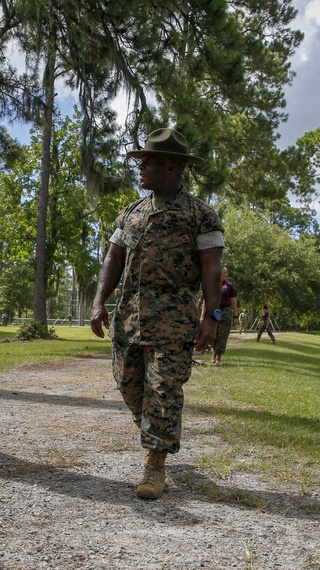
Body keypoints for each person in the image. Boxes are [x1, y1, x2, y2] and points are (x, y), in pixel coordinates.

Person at [90, 128, 223, 501]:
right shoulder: (132, 212)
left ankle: (155, 462)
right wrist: (100, 302)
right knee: (129, 386)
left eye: (147, 161)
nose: (141, 167)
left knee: (164, 391)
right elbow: (112, 259)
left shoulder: (201, 214)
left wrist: (211, 316)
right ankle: (155, 434)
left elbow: (212, 267)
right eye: (140, 160)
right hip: (129, 318)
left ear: (171, 166)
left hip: (174, 319)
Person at [207, 266, 238, 365]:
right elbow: (205, 299)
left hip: (225, 312)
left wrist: (235, 316)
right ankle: (214, 352)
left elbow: (233, 301)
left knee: (223, 335)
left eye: (227, 272)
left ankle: (218, 357)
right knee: (213, 335)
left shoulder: (230, 286)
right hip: (213, 311)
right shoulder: (212, 284)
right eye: (224, 272)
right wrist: (203, 315)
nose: (226, 274)